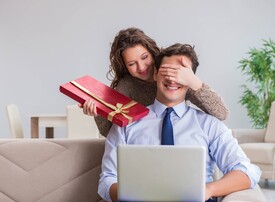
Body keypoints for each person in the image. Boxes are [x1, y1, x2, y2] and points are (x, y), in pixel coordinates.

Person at [96, 43, 261, 202]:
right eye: (167, 71)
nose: (173, 79)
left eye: (181, 73)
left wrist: (207, 190)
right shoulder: (127, 124)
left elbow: (246, 171)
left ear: (190, 80)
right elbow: (107, 178)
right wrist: (128, 192)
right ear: (155, 74)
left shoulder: (208, 124)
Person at [81, 27, 229, 137]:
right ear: (125, 66)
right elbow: (110, 133)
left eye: (145, 57)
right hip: (144, 143)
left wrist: (192, 80)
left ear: (152, 51)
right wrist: (97, 112)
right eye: (132, 63)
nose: (142, 67)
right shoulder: (127, 87)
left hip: (180, 137)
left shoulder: (172, 76)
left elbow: (221, 113)